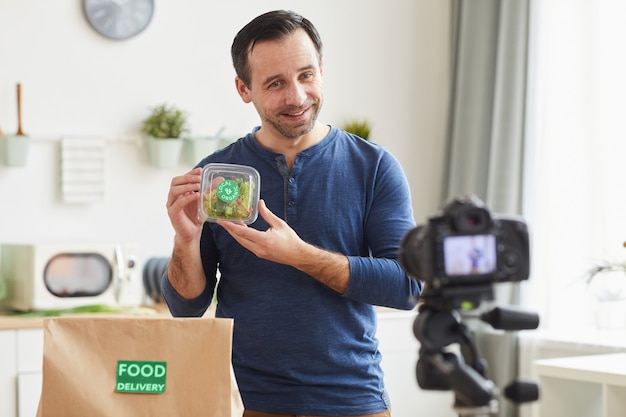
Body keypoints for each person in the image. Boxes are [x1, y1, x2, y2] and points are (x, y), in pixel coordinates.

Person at [162, 9, 422, 417]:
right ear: (243, 89)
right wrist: (186, 239)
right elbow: (187, 307)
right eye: (276, 83)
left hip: (354, 401)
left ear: (322, 70)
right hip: (246, 403)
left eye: (306, 75)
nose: (297, 97)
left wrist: (297, 255)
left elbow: (408, 285)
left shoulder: (373, 167)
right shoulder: (217, 176)